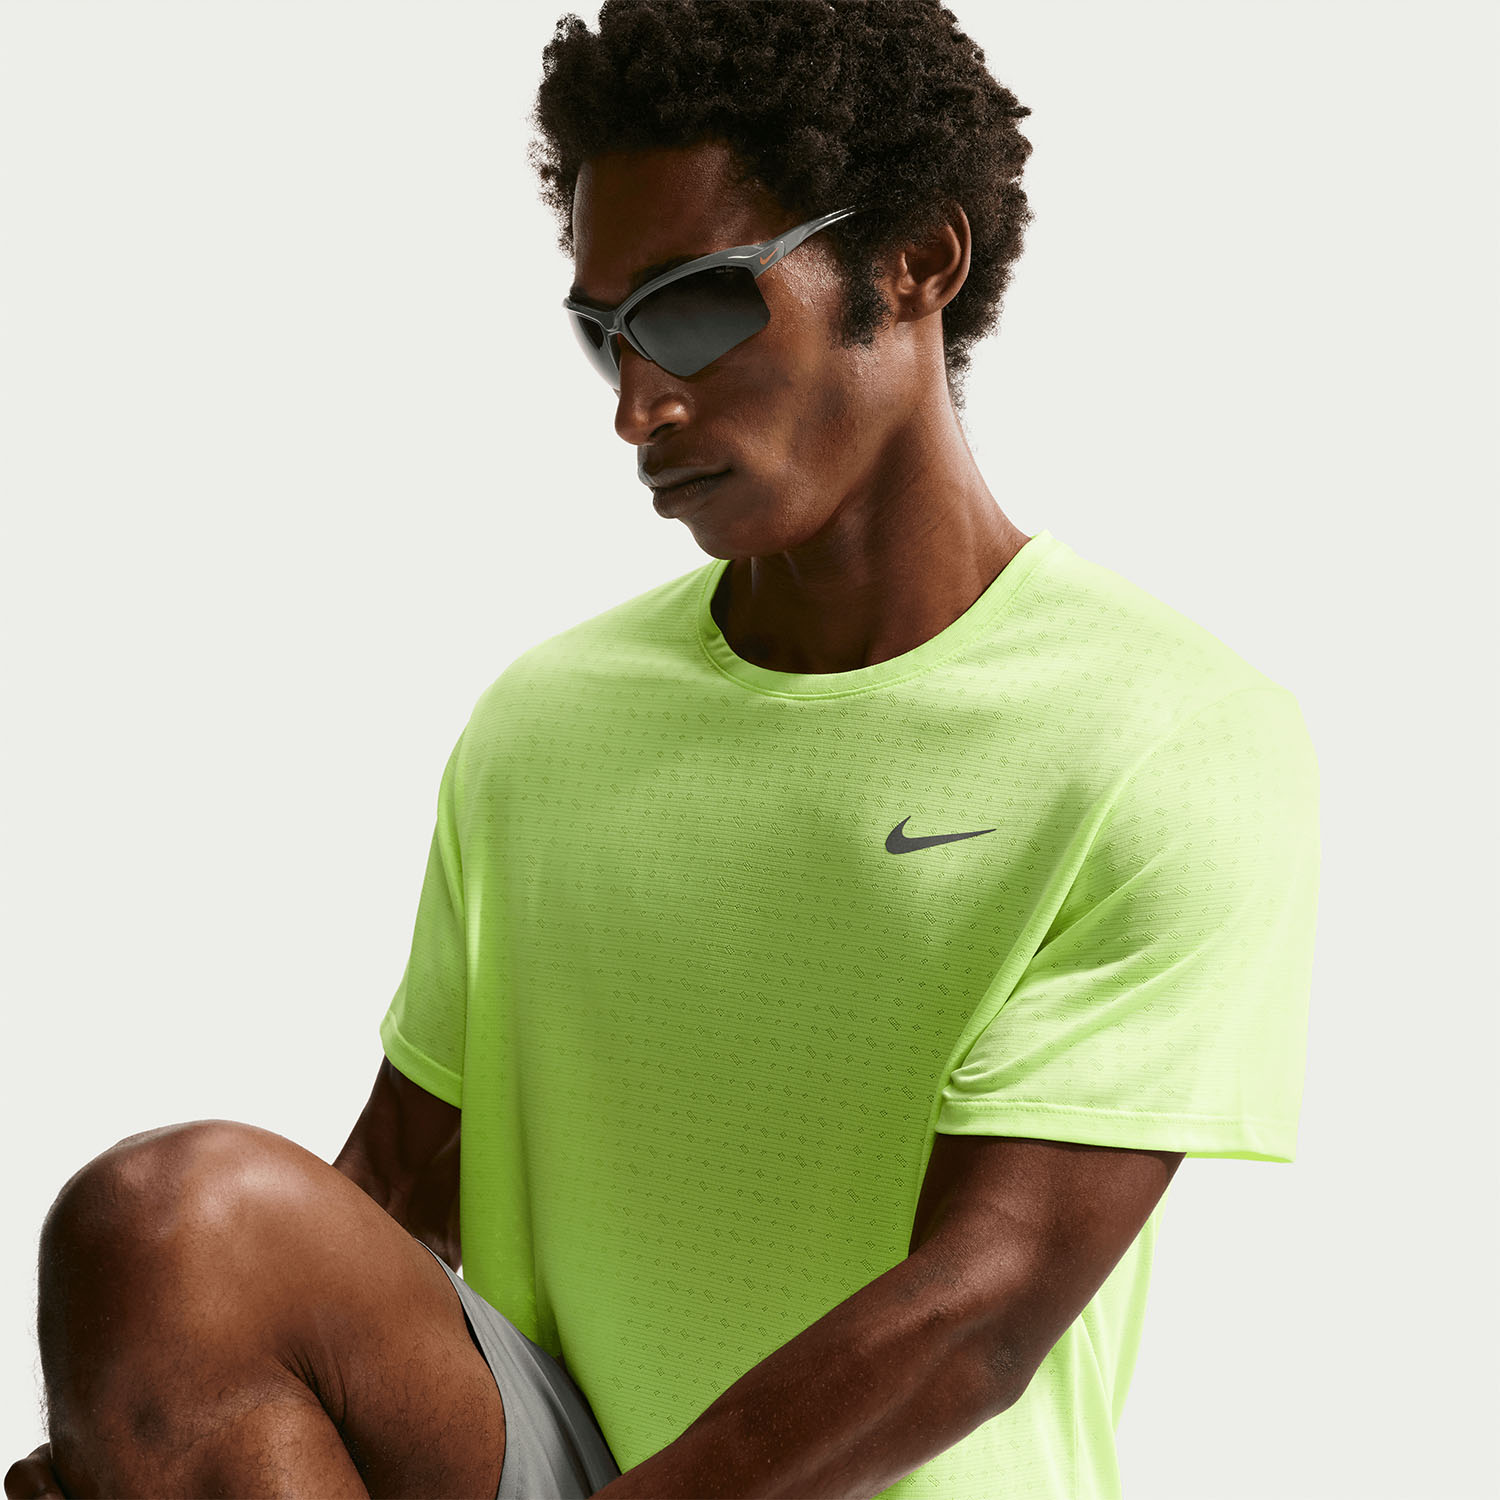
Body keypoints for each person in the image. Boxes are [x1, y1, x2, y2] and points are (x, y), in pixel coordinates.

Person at [6, 2, 1322, 1497]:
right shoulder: (549, 720)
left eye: (695, 310)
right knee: (169, 1222)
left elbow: (984, 1308)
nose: (641, 407)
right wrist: (152, 1418)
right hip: (560, 1460)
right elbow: (390, 1195)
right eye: (608, 335)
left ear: (917, 260)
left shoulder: (1163, 732)